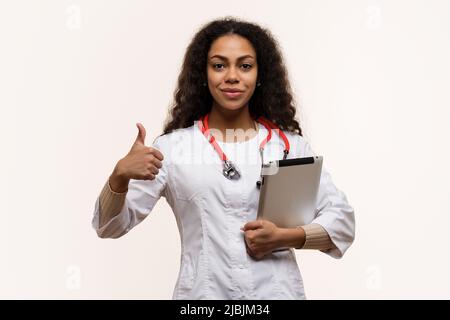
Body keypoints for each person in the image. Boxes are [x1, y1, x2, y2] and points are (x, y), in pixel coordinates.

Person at [92, 17, 355, 300]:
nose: (232, 76)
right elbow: (109, 226)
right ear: (203, 74)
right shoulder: (173, 148)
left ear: (260, 74)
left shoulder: (289, 146)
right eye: (219, 65)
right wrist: (119, 177)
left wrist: (285, 237)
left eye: (245, 66)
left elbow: (342, 222)